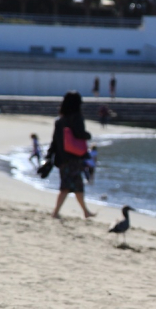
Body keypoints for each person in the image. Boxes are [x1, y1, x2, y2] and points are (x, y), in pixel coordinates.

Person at [47, 91, 96, 219]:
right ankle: (55, 212)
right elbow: (79, 133)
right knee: (67, 187)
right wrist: (88, 135)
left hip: (62, 158)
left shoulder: (59, 121)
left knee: (77, 186)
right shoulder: (77, 117)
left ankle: (85, 211)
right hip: (74, 157)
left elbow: (54, 141)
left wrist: (49, 156)